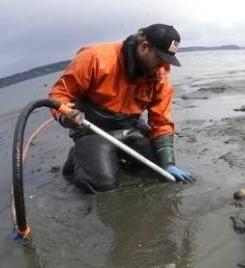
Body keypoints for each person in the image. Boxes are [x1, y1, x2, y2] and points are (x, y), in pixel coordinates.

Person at [49, 24, 194, 192]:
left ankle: (112, 156)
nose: (163, 65)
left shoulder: (159, 75)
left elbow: (162, 121)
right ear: (144, 46)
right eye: (160, 58)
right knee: (101, 184)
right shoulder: (95, 57)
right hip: (93, 128)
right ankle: (78, 156)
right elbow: (58, 95)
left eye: (167, 60)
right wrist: (67, 115)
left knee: (159, 172)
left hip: (130, 126)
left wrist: (168, 163)